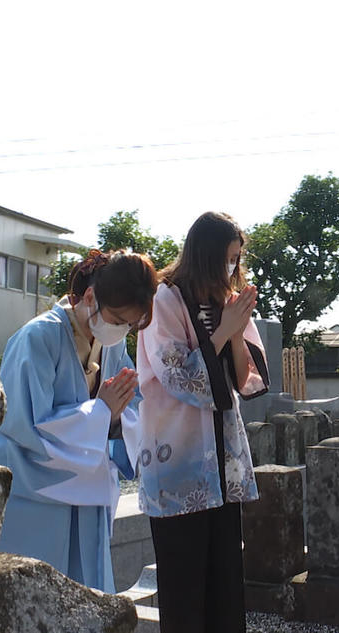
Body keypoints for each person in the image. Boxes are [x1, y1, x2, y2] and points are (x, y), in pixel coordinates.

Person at [0, 249, 158, 593]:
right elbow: (26, 427)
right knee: (36, 597)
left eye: (130, 323)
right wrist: (101, 412)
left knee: (87, 595)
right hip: (35, 496)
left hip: (87, 494)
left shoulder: (111, 343)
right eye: (119, 318)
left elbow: (131, 409)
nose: (122, 329)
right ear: (90, 297)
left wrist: (116, 418)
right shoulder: (37, 338)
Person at [136, 211, 269, 633]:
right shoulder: (164, 299)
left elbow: (245, 378)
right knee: (184, 589)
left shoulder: (225, 301)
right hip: (178, 466)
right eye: (228, 258)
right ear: (207, 255)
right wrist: (224, 329)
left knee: (226, 584)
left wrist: (233, 331)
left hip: (223, 467)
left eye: (238, 259)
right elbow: (180, 379)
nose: (233, 267)